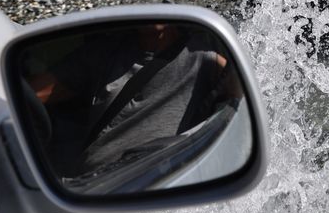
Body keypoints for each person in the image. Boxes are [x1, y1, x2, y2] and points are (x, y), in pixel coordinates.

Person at [22, 22, 244, 185]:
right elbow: (34, 93)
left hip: (155, 177)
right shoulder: (105, 52)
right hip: (93, 183)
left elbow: (238, 104)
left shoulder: (206, 56)